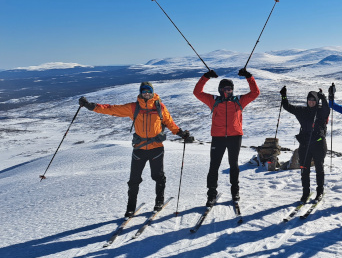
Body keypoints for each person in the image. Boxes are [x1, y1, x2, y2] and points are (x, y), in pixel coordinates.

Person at [78, 82, 193, 217]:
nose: (146, 94)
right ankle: (130, 208)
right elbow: (112, 109)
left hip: (156, 148)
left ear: (153, 92)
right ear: (140, 93)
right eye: (144, 92)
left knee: (158, 176)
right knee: (134, 180)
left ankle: (159, 202)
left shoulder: (160, 107)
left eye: (149, 91)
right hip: (139, 149)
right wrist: (91, 106)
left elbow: (169, 123)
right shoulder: (134, 107)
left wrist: (181, 134)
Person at [193, 68, 259, 206]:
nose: (229, 91)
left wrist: (249, 77)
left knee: (233, 165)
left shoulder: (239, 101)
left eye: (230, 89)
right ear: (220, 89)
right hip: (218, 137)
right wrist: (206, 77)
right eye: (226, 89)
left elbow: (255, 93)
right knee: (214, 166)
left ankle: (235, 191)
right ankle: (211, 194)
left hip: (235, 137)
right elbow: (197, 92)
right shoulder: (214, 100)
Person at [280, 86, 330, 202]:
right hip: (305, 145)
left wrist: (323, 98)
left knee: (319, 168)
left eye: (314, 100)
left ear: (317, 101)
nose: (311, 102)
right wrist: (283, 96)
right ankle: (305, 193)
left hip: (319, 144)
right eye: (309, 100)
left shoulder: (320, 111)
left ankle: (320, 192)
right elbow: (288, 107)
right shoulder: (302, 111)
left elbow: (327, 110)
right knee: (304, 169)